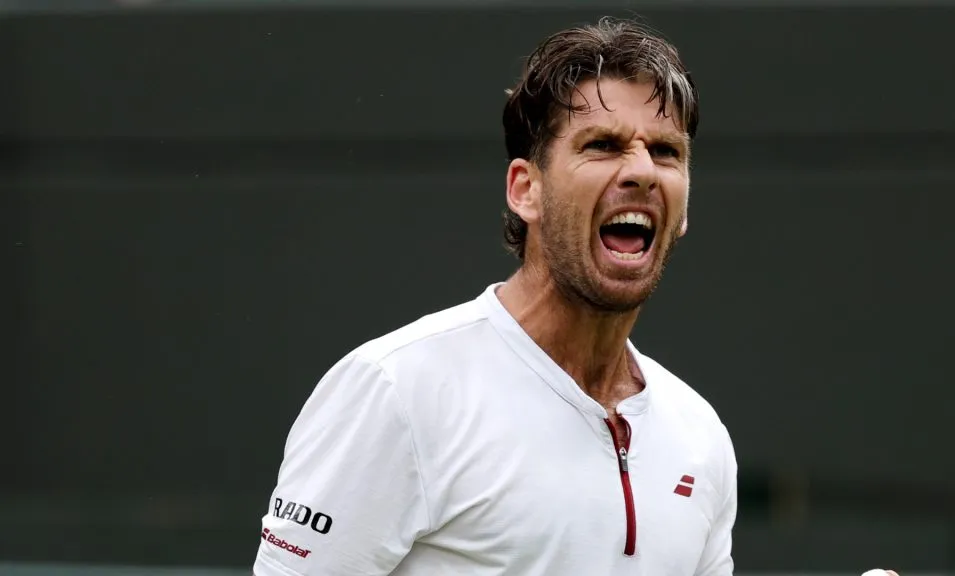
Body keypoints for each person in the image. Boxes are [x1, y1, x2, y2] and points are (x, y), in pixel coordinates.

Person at [252, 17, 899, 576]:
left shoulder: (699, 437)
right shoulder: (396, 390)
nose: (642, 170)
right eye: (603, 145)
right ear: (524, 189)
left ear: (684, 207)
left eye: (667, 152)